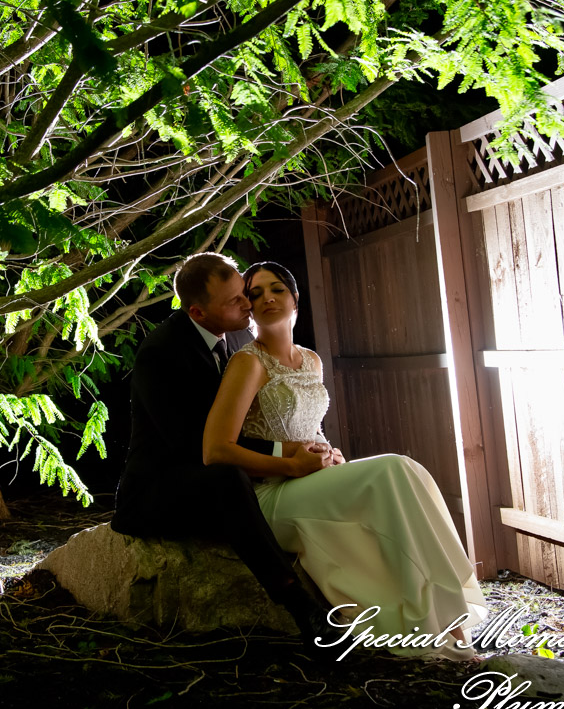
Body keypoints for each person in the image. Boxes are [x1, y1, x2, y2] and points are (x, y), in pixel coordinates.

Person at [202, 260, 489, 659]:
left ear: (294, 298)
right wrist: (290, 465)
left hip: (312, 481)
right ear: (248, 308)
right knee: (393, 468)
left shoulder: (312, 361)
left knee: (408, 474)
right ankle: (435, 619)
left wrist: (328, 450)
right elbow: (216, 449)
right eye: (254, 293)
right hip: (273, 494)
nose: (266, 297)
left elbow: (308, 427)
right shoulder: (247, 362)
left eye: (276, 289)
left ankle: (447, 618)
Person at [111, 252, 332, 638]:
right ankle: (298, 603)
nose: (248, 303)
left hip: (209, 471)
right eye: (235, 300)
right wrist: (285, 455)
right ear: (198, 313)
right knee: (227, 477)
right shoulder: (162, 353)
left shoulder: (238, 338)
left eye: (243, 293)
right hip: (158, 491)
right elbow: (196, 446)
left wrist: (310, 449)